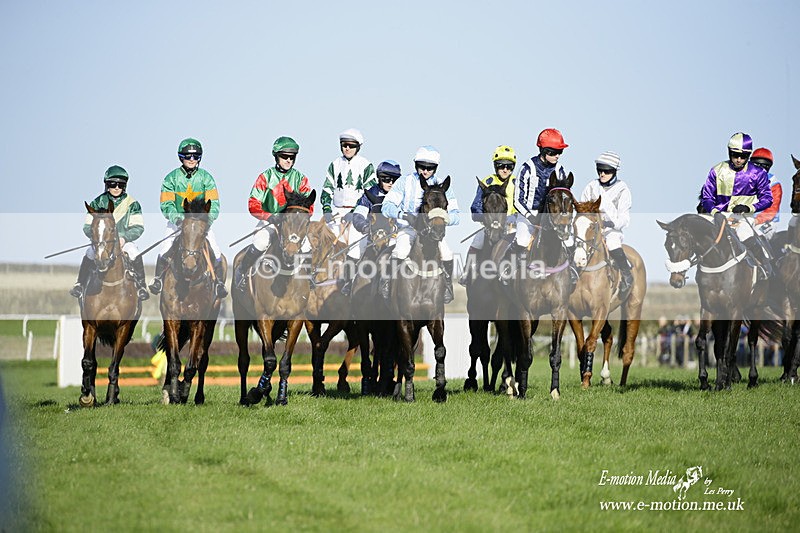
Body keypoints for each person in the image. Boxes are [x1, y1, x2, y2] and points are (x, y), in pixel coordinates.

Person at [149, 138, 228, 298]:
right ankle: (158, 280)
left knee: (215, 250)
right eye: (188, 156)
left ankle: (219, 283)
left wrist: (206, 221)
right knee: (165, 248)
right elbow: (166, 204)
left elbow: (214, 205)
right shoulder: (171, 178)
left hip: (201, 224)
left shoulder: (206, 178)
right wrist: (179, 220)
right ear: (181, 157)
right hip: (177, 223)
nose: (192, 159)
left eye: (195, 156)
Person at [380, 146, 460, 303]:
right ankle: (387, 283)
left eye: (430, 168)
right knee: (400, 251)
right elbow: (386, 206)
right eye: (422, 167)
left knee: (447, 254)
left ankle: (448, 286)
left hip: (433, 232)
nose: (425, 171)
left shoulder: (443, 186)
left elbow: (456, 215)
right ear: (416, 165)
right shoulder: (404, 182)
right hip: (409, 229)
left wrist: (443, 218)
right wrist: (403, 215)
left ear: (435, 168)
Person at [234, 136, 315, 290]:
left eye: (292, 157)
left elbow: (309, 207)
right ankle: (242, 272)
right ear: (276, 157)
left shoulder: (301, 179)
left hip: (292, 225)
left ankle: (309, 279)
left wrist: (296, 219)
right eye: (284, 156)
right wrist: (270, 216)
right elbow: (253, 204)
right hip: (269, 222)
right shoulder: (265, 177)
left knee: (306, 247)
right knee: (260, 242)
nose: (288, 160)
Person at [70, 165, 149, 300]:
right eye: (113, 184)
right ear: (107, 185)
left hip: (124, 242)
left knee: (134, 253)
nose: (117, 187)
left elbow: (138, 227)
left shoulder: (133, 204)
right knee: (90, 253)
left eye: (120, 184)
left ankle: (141, 286)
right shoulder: (96, 202)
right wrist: (98, 239)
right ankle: (80, 284)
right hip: (101, 243)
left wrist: (124, 238)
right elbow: (87, 227)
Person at [700, 132, 773, 275]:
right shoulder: (717, 170)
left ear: (748, 155)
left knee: (745, 236)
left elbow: (767, 199)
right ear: (729, 152)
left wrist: (749, 207)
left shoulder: (758, 173)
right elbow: (706, 197)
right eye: (735, 155)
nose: (739, 160)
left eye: (743, 156)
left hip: (742, 218)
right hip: (718, 215)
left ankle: (764, 269)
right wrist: (715, 212)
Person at [339, 160, 402, 295]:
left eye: (394, 180)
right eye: (386, 179)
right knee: (354, 251)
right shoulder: (370, 194)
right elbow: (358, 215)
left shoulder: (401, 195)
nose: (391, 183)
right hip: (373, 235)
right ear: (379, 178)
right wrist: (364, 227)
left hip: (394, 235)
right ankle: (349, 283)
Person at [459, 145, 517, 285]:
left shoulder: (517, 183)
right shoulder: (487, 182)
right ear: (495, 166)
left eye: (509, 167)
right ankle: (467, 272)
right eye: (501, 166)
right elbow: (476, 207)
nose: (505, 170)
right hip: (490, 225)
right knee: (477, 241)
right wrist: (485, 219)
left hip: (513, 225)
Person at [580, 151, 633, 298]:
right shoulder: (591, 186)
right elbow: (582, 208)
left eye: (606, 171)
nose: (602, 174)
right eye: (599, 170)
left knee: (612, 244)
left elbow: (625, 218)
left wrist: (610, 223)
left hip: (611, 230)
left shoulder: (623, 190)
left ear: (614, 171)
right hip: (591, 228)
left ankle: (627, 275)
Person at [511, 128, 569, 258]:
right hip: (527, 216)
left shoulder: (560, 170)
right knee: (522, 240)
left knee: (569, 242)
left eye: (560, 152)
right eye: (554, 152)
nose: (558, 156)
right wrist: (530, 217)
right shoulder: (527, 168)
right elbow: (517, 200)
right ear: (543, 151)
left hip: (551, 218)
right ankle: (507, 266)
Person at [321, 128, 376, 255]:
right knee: (323, 245)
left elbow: (370, 193)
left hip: (359, 214)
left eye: (351, 146)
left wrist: (354, 212)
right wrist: (327, 209)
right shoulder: (335, 164)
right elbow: (327, 189)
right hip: (337, 213)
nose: (347, 148)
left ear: (358, 147)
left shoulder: (366, 165)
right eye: (344, 145)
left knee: (356, 249)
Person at [750, 147, 782, 240]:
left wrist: (756, 220)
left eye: (763, 165)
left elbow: (772, 209)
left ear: (768, 167)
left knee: (756, 237)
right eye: (756, 164)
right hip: (745, 219)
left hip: (766, 222)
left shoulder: (774, 184)